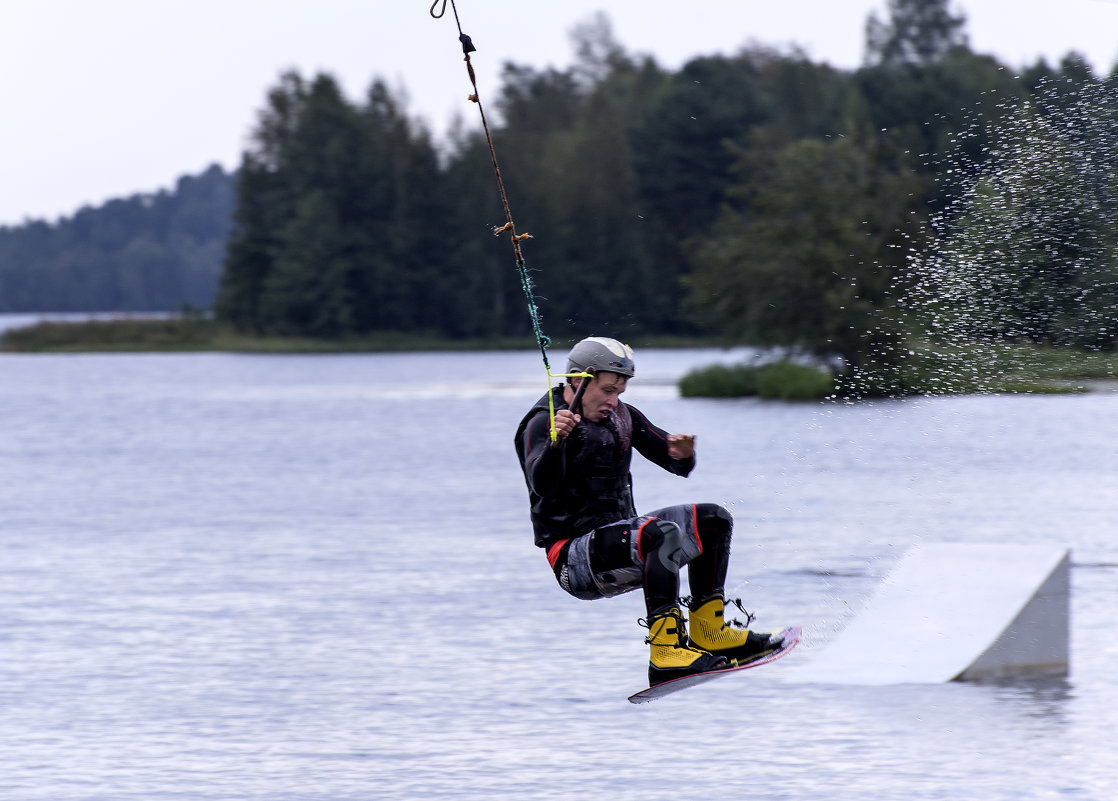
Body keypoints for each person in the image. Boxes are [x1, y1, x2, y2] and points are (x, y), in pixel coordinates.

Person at [514, 336, 783, 687]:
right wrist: (556, 443)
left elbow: (676, 466)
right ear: (579, 381)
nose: (614, 401)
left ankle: (709, 632)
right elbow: (541, 484)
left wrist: (682, 453)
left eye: (620, 392)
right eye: (608, 390)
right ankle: (666, 652)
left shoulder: (622, 416)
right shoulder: (542, 423)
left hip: (621, 542)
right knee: (660, 532)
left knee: (714, 520)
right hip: (574, 559)